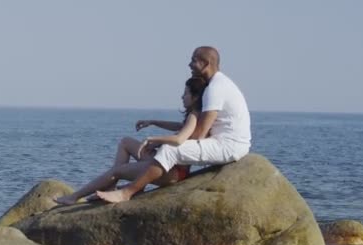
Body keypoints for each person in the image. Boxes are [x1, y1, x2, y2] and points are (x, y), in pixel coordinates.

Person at [97, 46, 251, 203]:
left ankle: (127, 193)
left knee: (170, 150)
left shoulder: (215, 88)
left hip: (228, 146)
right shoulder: (218, 84)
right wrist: (157, 127)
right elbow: (192, 129)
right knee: (168, 148)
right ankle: (121, 186)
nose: (189, 65)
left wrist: (161, 142)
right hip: (228, 143)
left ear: (206, 63)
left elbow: (199, 134)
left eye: (193, 60)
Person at [54, 76, 208, 205]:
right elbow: (180, 127)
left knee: (117, 171)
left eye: (185, 93)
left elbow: (179, 139)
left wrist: (154, 139)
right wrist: (153, 122)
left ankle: (74, 197)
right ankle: (110, 188)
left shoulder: (194, 116)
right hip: (167, 164)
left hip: (172, 171)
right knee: (126, 142)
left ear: (195, 97)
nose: (182, 96)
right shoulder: (193, 116)